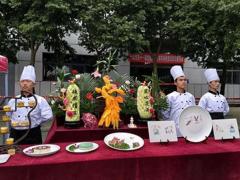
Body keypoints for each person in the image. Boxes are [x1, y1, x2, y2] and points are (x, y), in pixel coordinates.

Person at [7, 65, 53, 144]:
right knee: (14, 155)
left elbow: (48, 116)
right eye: (22, 81)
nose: (24, 83)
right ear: (19, 84)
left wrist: (36, 122)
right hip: (15, 134)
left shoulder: (40, 100)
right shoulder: (12, 100)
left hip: (33, 134)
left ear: (34, 84)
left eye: (28, 81)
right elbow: (8, 115)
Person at [161, 65, 195, 137]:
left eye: (185, 80)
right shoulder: (170, 97)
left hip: (189, 129)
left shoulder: (190, 96)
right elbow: (165, 115)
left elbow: (193, 112)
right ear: (175, 83)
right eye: (180, 80)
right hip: (174, 130)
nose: (183, 82)